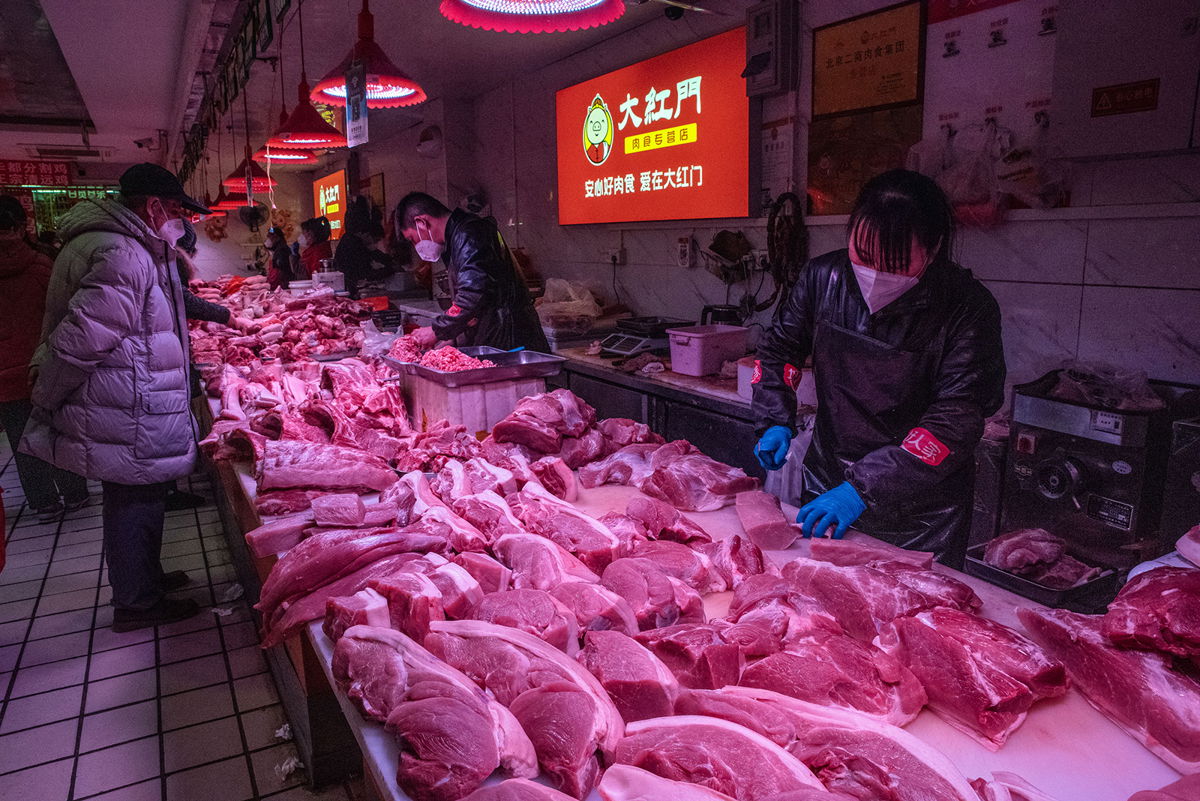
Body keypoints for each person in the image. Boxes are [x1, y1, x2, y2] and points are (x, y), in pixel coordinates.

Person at [752, 169, 1005, 567]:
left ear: (935, 247)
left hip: (922, 512)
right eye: (865, 256)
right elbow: (779, 350)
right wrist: (773, 417)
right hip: (827, 482)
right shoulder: (822, 278)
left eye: (897, 262)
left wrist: (862, 489)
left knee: (916, 616)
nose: (876, 274)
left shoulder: (967, 308)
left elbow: (956, 417)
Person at [22, 162, 210, 631]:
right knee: (134, 503)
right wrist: (46, 398)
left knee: (136, 499)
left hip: (126, 396)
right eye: (174, 210)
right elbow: (83, 337)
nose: (179, 220)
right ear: (152, 207)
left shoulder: (121, 244)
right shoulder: (122, 252)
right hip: (125, 402)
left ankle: (144, 582)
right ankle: (138, 602)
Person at [0, 195, 89, 522]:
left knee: (23, 442)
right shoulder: (45, 264)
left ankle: (43, 502)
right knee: (60, 432)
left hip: (5, 373)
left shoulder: (45, 263)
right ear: (23, 226)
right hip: (49, 364)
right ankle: (75, 492)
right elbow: (69, 310)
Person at [395, 192, 549, 352]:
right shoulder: (457, 237)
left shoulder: (468, 233)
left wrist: (436, 330)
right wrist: (453, 339)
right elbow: (478, 304)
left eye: (413, 239)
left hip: (511, 340)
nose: (416, 247)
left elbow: (472, 294)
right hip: (498, 336)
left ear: (421, 222)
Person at [333, 196, 395, 298]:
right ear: (364, 233)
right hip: (350, 292)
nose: (374, 243)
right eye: (374, 239)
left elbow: (372, 253)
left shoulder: (351, 239)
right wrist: (390, 270)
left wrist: (390, 261)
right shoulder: (353, 243)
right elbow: (364, 273)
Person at [297, 215, 333, 280]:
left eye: (303, 233)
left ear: (310, 234)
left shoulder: (318, 253)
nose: (301, 236)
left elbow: (316, 278)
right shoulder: (314, 251)